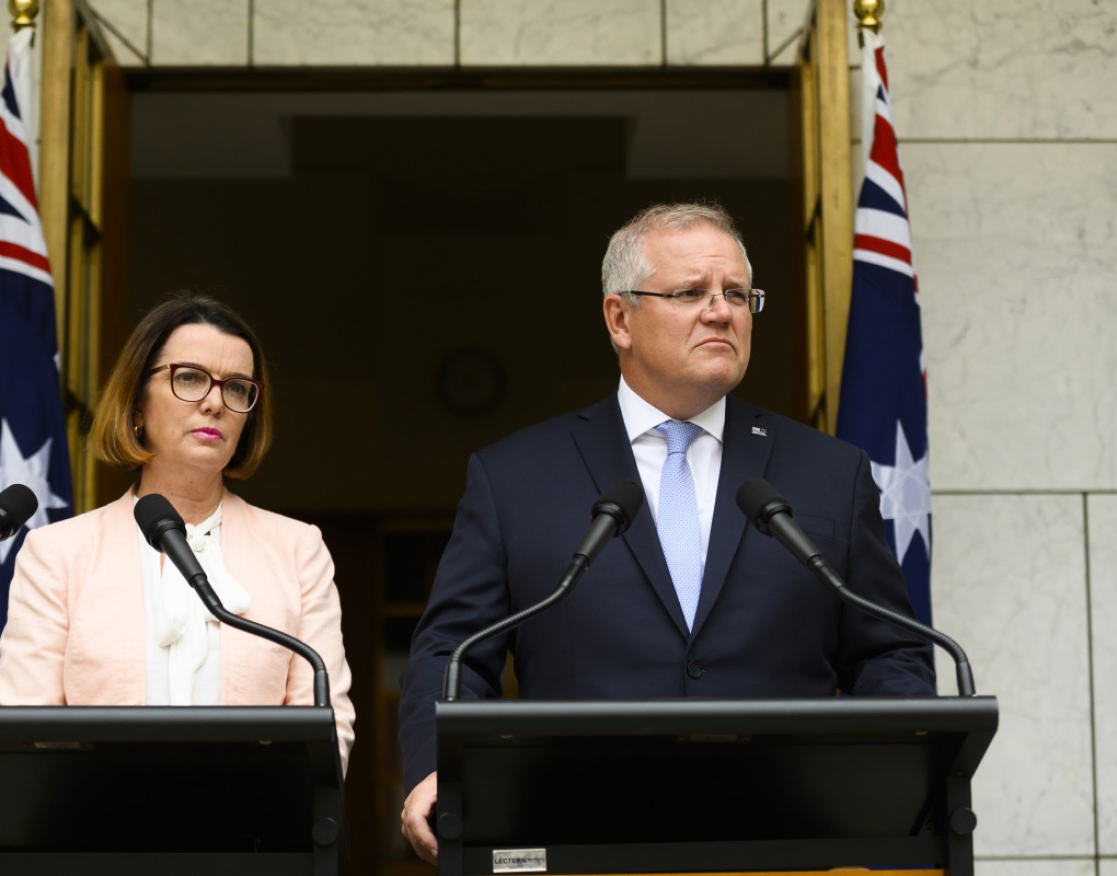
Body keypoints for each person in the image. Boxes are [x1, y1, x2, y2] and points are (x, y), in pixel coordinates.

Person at [397, 202, 935, 861]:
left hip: (785, 842)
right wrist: (434, 770)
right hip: (576, 833)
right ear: (618, 318)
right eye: (690, 293)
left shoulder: (828, 473)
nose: (721, 312)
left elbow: (889, 653)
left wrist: (893, 773)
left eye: (736, 294)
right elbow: (453, 651)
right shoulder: (513, 476)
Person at [0, 292, 354, 774]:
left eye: (237, 388)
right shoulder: (57, 553)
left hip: (254, 835)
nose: (213, 403)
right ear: (136, 400)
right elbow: (28, 726)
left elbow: (326, 726)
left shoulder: (297, 548)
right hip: (96, 834)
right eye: (189, 378)